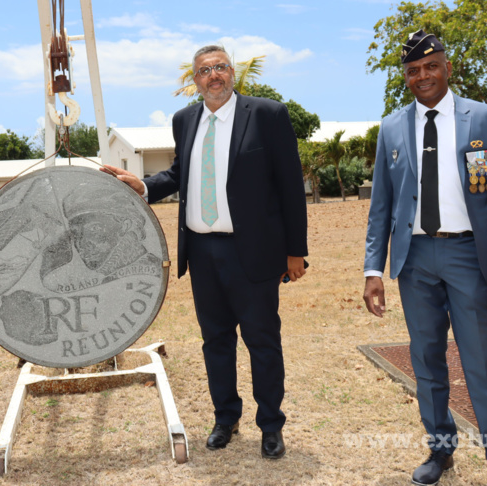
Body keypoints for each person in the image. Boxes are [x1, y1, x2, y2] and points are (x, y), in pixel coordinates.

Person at [102, 45, 308, 459]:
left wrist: (295, 251)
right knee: (215, 341)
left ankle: (271, 425)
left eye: (219, 68)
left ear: (232, 73)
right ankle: (225, 418)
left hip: (253, 254)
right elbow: (182, 173)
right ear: (194, 80)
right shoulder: (185, 120)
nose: (213, 75)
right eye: (204, 71)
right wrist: (142, 186)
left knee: (263, 342)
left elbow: (289, 184)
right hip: (201, 252)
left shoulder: (267, 114)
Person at [362, 31, 487, 486]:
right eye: (413, 70)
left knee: (481, 362)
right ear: (407, 77)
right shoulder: (392, 127)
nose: (423, 76)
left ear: (447, 68)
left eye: (431, 66)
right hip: (414, 260)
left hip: (468, 256)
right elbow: (381, 205)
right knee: (427, 360)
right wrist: (373, 269)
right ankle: (440, 451)